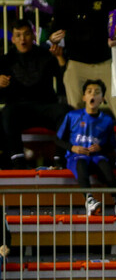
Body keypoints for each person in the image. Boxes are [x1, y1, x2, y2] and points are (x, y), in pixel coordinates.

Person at [50, 0, 116, 134]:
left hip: (105, 61)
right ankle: (77, 151)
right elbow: (55, 30)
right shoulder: (64, 0)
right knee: (74, 108)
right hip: (77, 63)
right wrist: (53, 38)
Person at [0, 19, 73, 169]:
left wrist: (60, 60)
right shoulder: (5, 60)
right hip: (18, 109)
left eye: (26, 34)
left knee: (66, 112)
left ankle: (60, 159)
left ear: (33, 36)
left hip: (45, 106)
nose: (22, 39)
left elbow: (64, 82)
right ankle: (17, 161)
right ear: (12, 39)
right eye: (18, 35)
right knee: (6, 113)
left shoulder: (46, 54)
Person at [55, 80, 116, 216]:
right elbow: (58, 139)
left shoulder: (107, 120)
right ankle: (89, 200)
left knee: (105, 165)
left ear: (103, 99)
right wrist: (73, 148)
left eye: (97, 92)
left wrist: (100, 147)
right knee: (81, 162)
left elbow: (111, 145)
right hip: (76, 156)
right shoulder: (72, 116)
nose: (93, 95)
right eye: (89, 92)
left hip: (96, 157)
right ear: (84, 97)